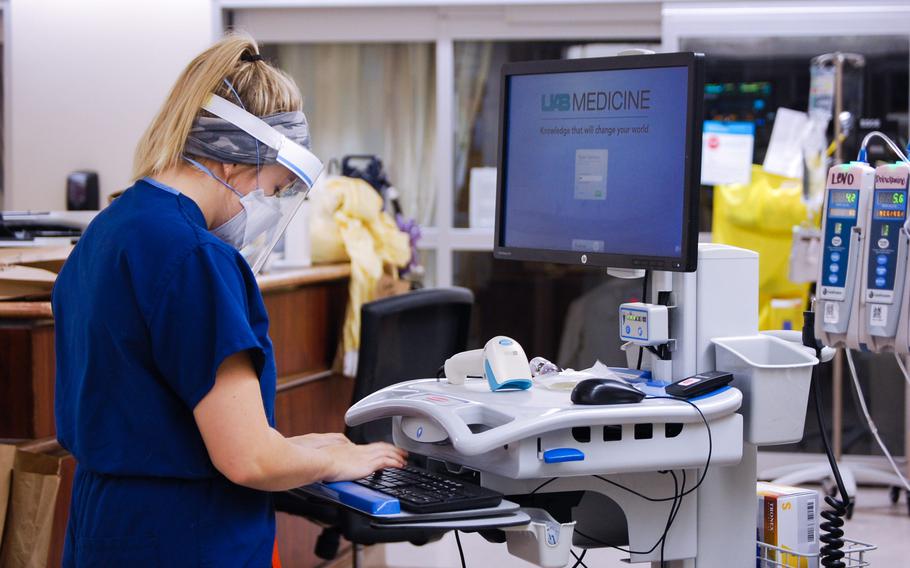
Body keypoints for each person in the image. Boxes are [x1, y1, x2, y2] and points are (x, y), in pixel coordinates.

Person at [52, 33, 406, 567]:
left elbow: (152, 413)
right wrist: (335, 465)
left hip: (109, 525)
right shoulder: (195, 257)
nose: (266, 205)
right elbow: (247, 460)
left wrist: (306, 447)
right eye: (274, 185)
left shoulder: (111, 229)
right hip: (184, 536)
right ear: (237, 161)